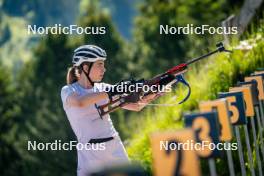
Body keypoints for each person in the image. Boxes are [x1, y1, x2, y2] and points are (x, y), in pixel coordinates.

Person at [60, 45, 161, 176]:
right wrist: (113, 91)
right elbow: (80, 102)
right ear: (85, 67)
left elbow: (136, 106)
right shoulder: (68, 91)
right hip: (89, 154)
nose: (104, 69)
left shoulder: (104, 87)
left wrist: (153, 93)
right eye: (99, 64)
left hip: (114, 146)